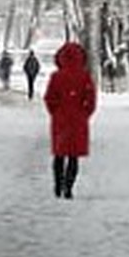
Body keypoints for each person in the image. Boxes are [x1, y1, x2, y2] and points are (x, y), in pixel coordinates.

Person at [44, 41, 97, 199]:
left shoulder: (56, 76)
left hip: (60, 120)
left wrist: (56, 112)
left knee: (59, 155)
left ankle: (58, 185)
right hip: (78, 120)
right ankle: (68, 187)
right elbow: (91, 99)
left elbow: (49, 98)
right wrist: (84, 113)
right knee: (73, 156)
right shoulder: (85, 76)